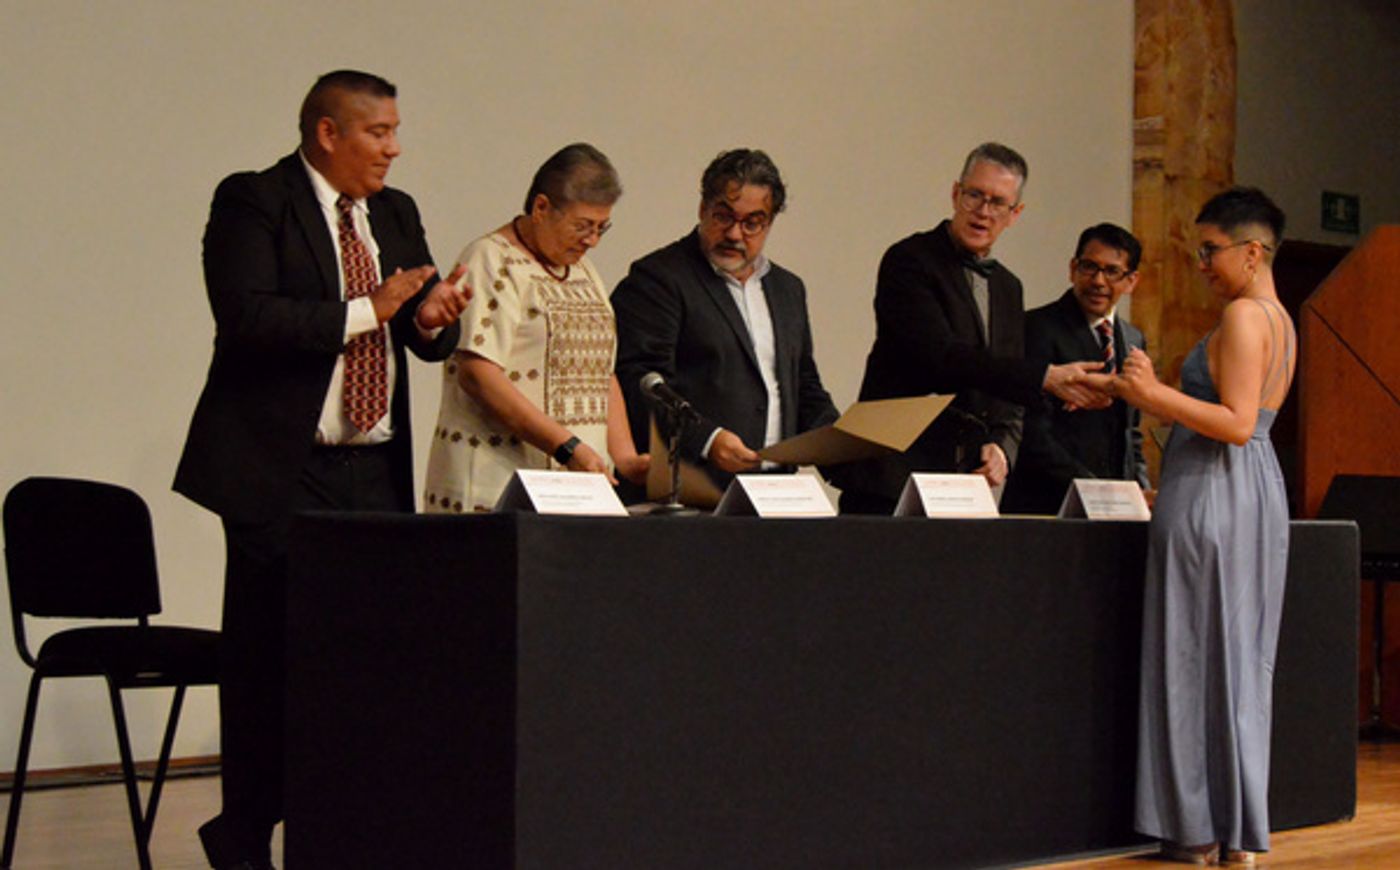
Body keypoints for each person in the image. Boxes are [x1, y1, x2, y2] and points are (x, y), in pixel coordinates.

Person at [173, 70, 469, 869]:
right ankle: (244, 832)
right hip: (281, 469)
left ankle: (347, 828)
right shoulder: (254, 200)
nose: (394, 148)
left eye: (396, 131)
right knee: (270, 658)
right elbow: (246, 316)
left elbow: (422, 328)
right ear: (328, 132)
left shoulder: (395, 212)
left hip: (372, 468)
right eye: (379, 132)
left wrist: (431, 319)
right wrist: (371, 309)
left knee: (370, 660)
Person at [1098, 187, 1294, 865]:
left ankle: (1198, 828)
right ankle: (1232, 829)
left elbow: (1235, 423)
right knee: (1237, 659)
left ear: (1253, 251)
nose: (1203, 265)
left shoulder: (1242, 315)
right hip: (1254, 492)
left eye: (1210, 251)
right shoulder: (1279, 318)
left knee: (1190, 655)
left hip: (1214, 490)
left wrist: (1150, 393)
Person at [834, 142, 1101, 514]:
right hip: (890, 477)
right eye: (975, 195)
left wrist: (1002, 446)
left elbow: (1006, 387)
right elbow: (940, 357)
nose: (983, 212)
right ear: (955, 193)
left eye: (998, 203)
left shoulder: (1008, 286)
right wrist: (1044, 376)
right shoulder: (909, 260)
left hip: (961, 483)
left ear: (1015, 213)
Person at [422, 143, 647, 512]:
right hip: (496, 485)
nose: (592, 240)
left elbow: (599, 372)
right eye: (582, 226)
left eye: (601, 228)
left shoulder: (582, 270)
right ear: (541, 207)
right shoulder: (490, 259)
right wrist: (566, 446)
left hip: (576, 488)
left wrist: (625, 457)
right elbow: (478, 374)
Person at [611, 148, 839, 495]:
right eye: (723, 217)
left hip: (776, 490)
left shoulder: (788, 289)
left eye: (752, 223)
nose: (734, 233)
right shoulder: (659, 278)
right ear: (702, 209)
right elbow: (639, 383)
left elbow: (803, 385)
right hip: (690, 491)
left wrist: (841, 439)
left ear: (769, 223)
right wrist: (708, 440)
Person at [1001, 223, 1150, 514]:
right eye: (1089, 267)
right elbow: (1028, 429)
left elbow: (1130, 431)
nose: (1098, 281)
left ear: (1132, 281)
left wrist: (1138, 490)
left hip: (1114, 508)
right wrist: (1091, 488)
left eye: (1112, 271)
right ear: (1072, 269)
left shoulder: (1134, 339)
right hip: (1045, 505)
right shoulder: (1035, 327)